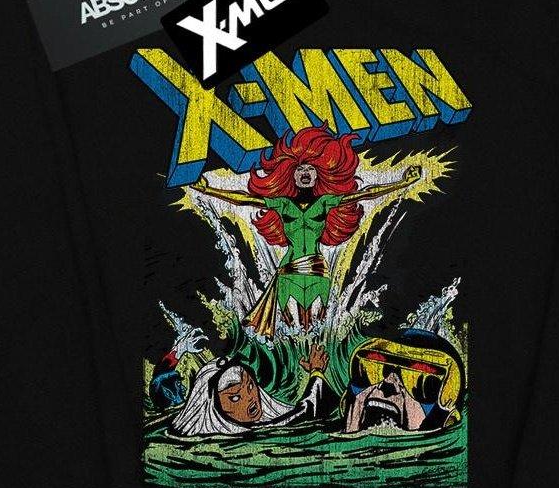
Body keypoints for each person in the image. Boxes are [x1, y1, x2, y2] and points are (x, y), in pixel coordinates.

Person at [191, 128, 420, 336]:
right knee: (290, 326)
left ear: (318, 174)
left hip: (316, 267)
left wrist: (402, 183)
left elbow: (366, 193)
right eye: (300, 168)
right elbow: (245, 200)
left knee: (318, 325)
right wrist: (208, 190)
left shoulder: (325, 202)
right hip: (289, 268)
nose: (305, 172)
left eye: (310, 168)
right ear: (292, 174)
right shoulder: (282, 204)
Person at [169, 343, 331, 437]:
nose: (250, 398)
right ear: (213, 407)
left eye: (251, 386)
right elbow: (307, 411)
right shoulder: (258, 432)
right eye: (235, 397)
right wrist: (316, 372)